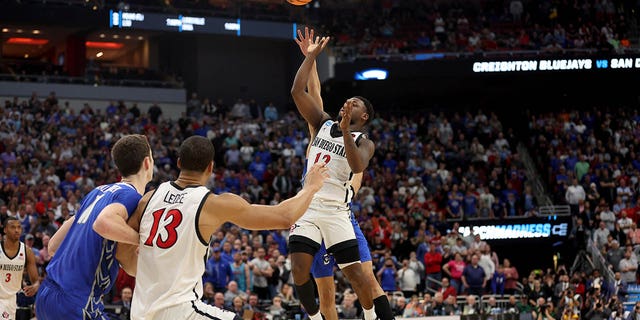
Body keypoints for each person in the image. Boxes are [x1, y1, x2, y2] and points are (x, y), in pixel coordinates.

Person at [116, 136, 328, 320]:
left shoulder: (148, 199)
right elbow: (284, 217)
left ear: (179, 163)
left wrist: (155, 266)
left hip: (141, 312)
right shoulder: (212, 204)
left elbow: (124, 256)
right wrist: (311, 187)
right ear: (210, 167)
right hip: (181, 311)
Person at [293, 27, 394, 320]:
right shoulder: (321, 125)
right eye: (348, 100)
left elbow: (357, 166)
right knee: (324, 293)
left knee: (365, 278)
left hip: (339, 211)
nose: (349, 103)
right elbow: (312, 92)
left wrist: (348, 129)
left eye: (356, 104)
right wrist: (310, 58)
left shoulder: (363, 143)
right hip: (308, 209)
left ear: (363, 117)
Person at [36, 134, 154, 320]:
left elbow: (53, 246)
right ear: (147, 162)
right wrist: (143, 240)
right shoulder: (131, 196)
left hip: (47, 296)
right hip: (77, 302)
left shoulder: (97, 191)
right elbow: (103, 223)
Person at [1, 217, 40, 319]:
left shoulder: (27, 251)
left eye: (19, 227)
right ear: (5, 230)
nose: (17, 230)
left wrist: (35, 287)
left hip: (15, 299)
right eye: (12, 227)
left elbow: (36, 281)